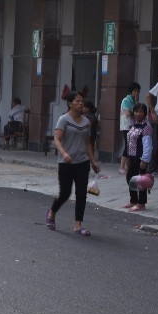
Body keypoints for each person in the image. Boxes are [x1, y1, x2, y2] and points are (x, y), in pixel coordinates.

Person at [45, 91, 100, 236]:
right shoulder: (63, 120)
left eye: (82, 101)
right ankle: (52, 212)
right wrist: (63, 153)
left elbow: (88, 143)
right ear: (70, 103)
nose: (81, 103)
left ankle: (78, 225)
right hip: (66, 163)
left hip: (82, 162)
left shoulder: (86, 122)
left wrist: (93, 161)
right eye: (77, 101)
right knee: (65, 193)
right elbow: (56, 139)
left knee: (81, 194)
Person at [122, 104, 154, 211]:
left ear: (145, 113)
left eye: (140, 112)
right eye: (136, 111)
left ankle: (141, 203)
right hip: (132, 156)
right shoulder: (134, 125)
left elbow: (148, 145)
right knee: (131, 178)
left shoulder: (146, 127)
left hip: (140, 158)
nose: (137, 114)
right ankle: (133, 200)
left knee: (141, 181)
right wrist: (126, 157)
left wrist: (144, 160)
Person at [119, 82, 142, 171]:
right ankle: (121, 166)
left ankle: (127, 166)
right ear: (131, 91)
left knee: (132, 145)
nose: (137, 93)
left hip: (133, 125)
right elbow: (128, 113)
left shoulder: (135, 101)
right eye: (135, 91)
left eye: (138, 91)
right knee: (128, 146)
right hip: (126, 126)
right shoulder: (126, 100)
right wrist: (136, 113)